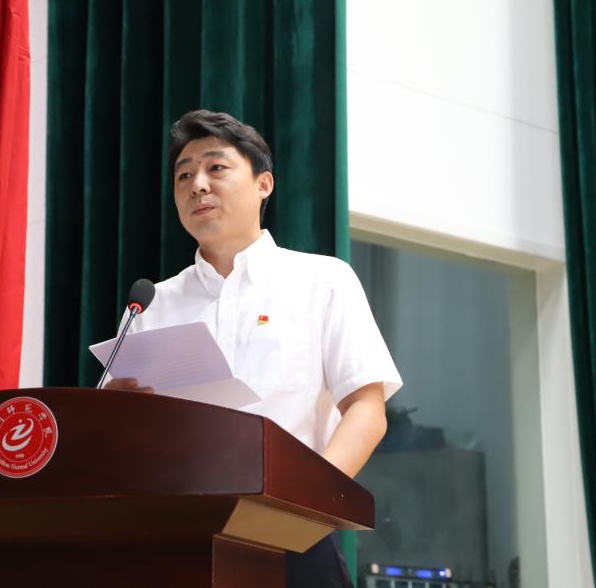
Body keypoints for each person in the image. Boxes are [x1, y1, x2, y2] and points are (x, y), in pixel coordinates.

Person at [104, 109, 403, 587]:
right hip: (176, 537)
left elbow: (366, 409)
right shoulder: (152, 302)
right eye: (184, 176)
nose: (198, 185)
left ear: (264, 184)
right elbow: (119, 431)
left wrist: (307, 504)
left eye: (216, 168)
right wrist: (116, 414)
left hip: (292, 533)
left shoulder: (323, 280)